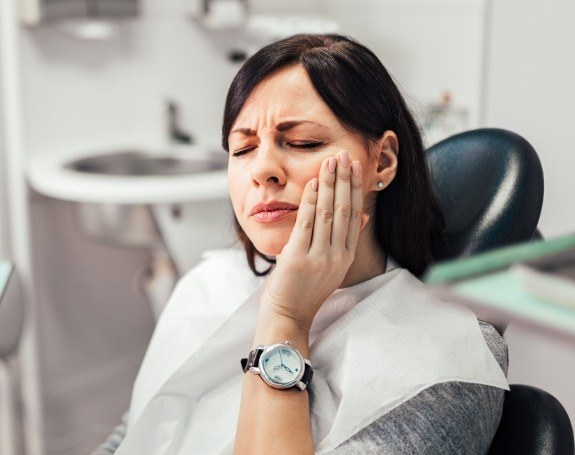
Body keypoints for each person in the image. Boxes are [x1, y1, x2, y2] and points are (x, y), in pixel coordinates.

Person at [94, 34, 508, 455]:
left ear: (380, 161)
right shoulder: (209, 285)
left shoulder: (448, 363)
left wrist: (287, 319)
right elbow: (135, 431)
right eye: (243, 148)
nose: (263, 170)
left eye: (303, 143)